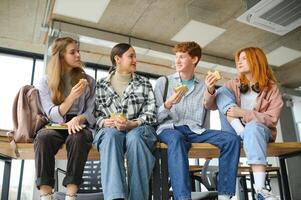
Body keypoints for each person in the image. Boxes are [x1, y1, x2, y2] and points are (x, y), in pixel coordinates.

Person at [154, 41, 241, 200]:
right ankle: (183, 198)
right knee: (176, 138)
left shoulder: (202, 85)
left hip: (195, 130)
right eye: (176, 57)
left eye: (182, 57)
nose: (177, 61)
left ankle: (224, 195)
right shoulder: (163, 82)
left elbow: (210, 106)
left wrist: (210, 89)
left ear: (194, 60)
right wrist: (168, 104)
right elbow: (153, 117)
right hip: (169, 128)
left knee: (232, 139)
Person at [204, 47, 283, 200]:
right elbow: (209, 105)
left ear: (256, 60)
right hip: (234, 131)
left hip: (260, 132)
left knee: (252, 128)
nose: (239, 62)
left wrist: (244, 113)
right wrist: (210, 89)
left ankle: (260, 189)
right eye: (238, 59)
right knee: (222, 93)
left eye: (244, 58)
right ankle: (242, 132)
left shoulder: (271, 88)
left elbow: (272, 119)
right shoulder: (233, 84)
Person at [93, 43, 157, 200]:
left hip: (139, 128)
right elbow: (94, 113)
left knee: (134, 138)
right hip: (110, 130)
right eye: (131, 56)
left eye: (135, 56)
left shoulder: (144, 83)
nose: (135, 59)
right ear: (117, 59)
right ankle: (116, 197)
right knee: (110, 136)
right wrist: (103, 122)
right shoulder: (101, 85)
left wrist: (133, 124)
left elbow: (151, 113)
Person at [34, 37, 96, 200]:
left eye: (78, 51)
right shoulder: (45, 81)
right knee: (43, 138)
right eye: (72, 52)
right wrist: (71, 98)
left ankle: (71, 195)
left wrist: (79, 119)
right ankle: (46, 195)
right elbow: (50, 113)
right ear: (61, 56)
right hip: (56, 124)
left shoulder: (89, 81)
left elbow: (92, 111)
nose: (78, 55)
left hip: (79, 125)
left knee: (78, 138)